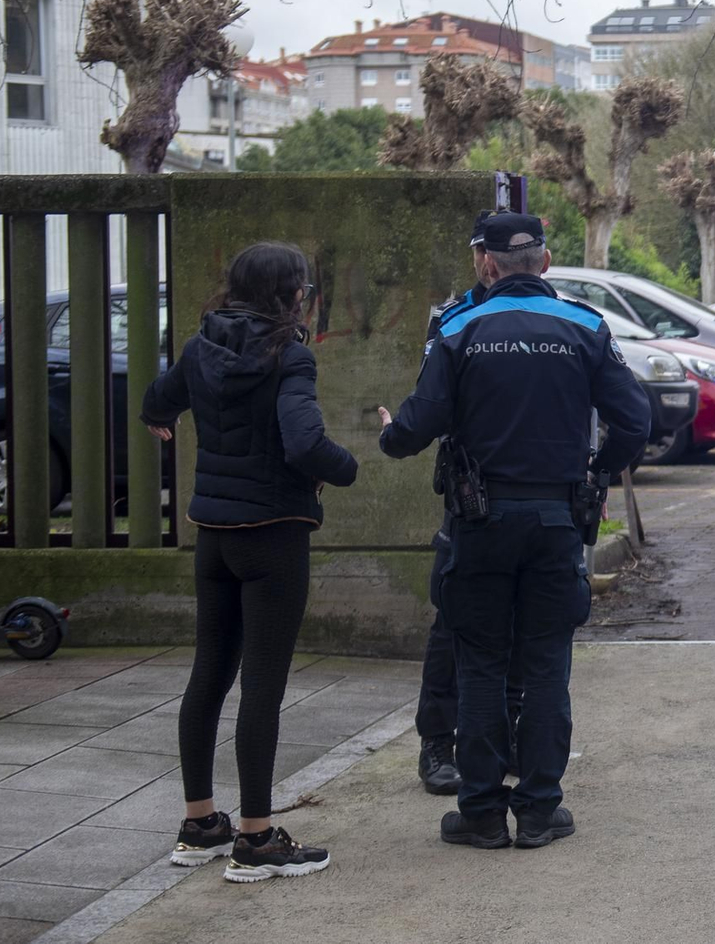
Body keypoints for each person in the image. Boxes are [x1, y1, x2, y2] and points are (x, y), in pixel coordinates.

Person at [378, 213, 650, 850]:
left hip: (479, 523)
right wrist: (597, 469)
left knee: (480, 664)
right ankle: (538, 811)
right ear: (547, 261)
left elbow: (419, 424)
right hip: (558, 521)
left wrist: (391, 433)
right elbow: (634, 420)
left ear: (487, 265)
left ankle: (478, 813)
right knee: (547, 664)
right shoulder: (587, 325)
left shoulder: (457, 327)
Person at [142, 242, 355, 882]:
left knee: (209, 672)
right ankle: (257, 839)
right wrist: (346, 469)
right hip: (273, 536)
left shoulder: (201, 344)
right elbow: (304, 440)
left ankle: (200, 823)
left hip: (214, 535)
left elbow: (157, 400)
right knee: (263, 684)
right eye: (303, 288)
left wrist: (162, 420)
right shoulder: (290, 355)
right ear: (289, 294)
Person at [413, 215, 521, 797]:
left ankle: (506, 738)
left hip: (534, 488)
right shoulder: (453, 317)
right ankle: (437, 741)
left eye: (492, 251)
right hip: (470, 490)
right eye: (480, 250)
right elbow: (430, 405)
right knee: (452, 618)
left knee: (525, 620)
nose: (486, 260)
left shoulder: (552, 312)